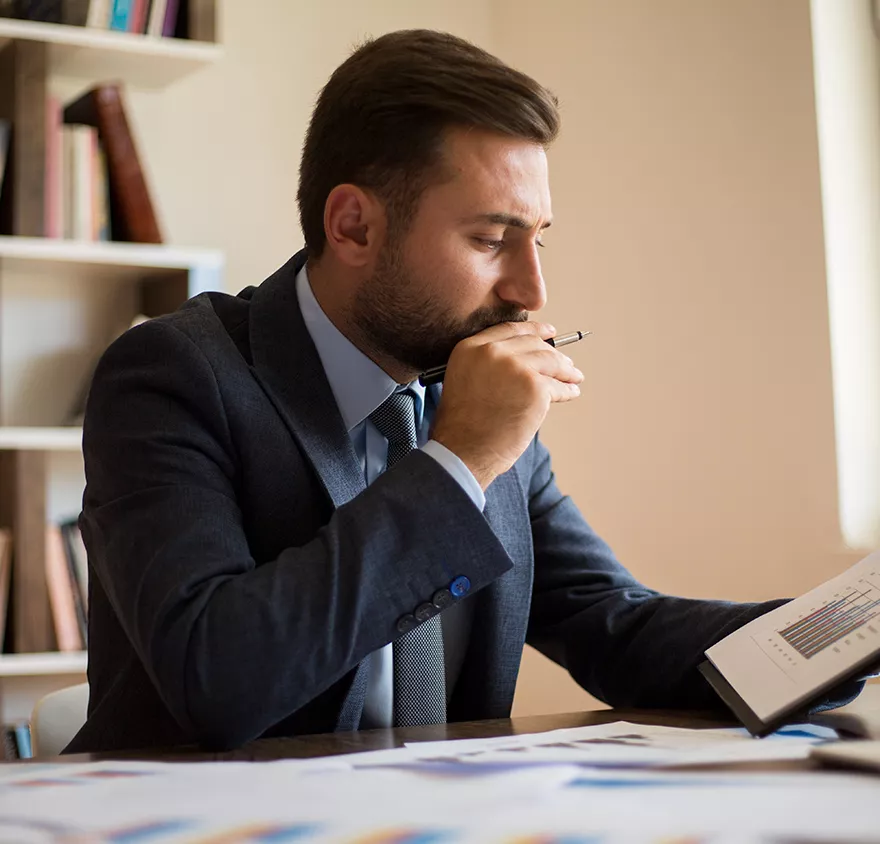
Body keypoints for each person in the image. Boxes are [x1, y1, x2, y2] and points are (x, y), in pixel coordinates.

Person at [65, 29, 796, 753]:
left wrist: (828, 634)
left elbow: (611, 624)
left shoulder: (467, 396)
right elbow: (216, 681)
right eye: (489, 240)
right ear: (354, 226)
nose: (531, 289)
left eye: (537, 238)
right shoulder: (171, 376)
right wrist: (459, 461)